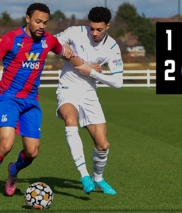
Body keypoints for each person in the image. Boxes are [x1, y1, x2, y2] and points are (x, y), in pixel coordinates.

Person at [0, 3, 79, 204]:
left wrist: (87, 67)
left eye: (45, 23)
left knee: (32, 152)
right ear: (28, 19)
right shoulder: (9, 39)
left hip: (31, 102)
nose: (42, 26)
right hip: (8, 98)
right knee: (5, 144)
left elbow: (67, 54)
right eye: (38, 21)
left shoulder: (49, 40)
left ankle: (13, 170)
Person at [55, 6, 123, 195]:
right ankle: (84, 175)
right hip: (68, 88)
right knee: (70, 120)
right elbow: (53, 42)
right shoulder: (76, 32)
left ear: (108, 26)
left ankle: (98, 178)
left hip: (89, 93)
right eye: (91, 28)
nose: (94, 33)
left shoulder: (112, 47)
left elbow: (118, 82)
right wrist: (64, 45)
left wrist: (91, 72)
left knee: (103, 145)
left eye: (99, 29)